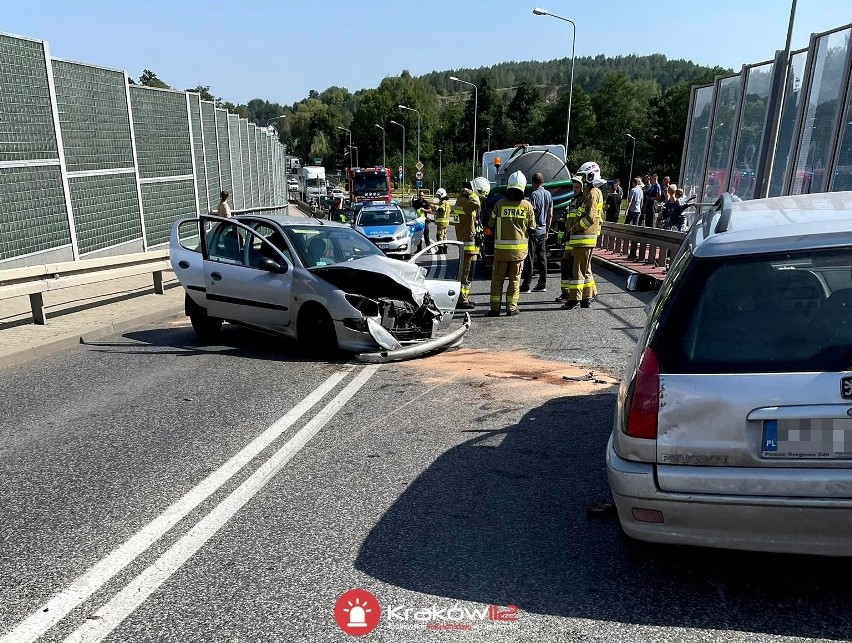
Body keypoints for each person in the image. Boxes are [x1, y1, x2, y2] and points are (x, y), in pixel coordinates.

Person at [488, 171, 536, 317]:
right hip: (518, 253)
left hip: (500, 253)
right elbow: (532, 228)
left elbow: (491, 224)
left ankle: (495, 309)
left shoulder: (499, 204)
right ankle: (511, 308)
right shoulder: (527, 206)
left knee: (497, 280)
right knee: (514, 281)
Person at [563, 161, 604, 310]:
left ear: (590, 176)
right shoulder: (591, 193)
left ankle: (574, 299)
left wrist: (575, 227)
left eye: (583, 176)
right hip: (583, 238)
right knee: (585, 270)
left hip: (584, 238)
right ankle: (586, 298)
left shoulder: (593, 193)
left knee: (578, 270)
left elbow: (590, 217)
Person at [455, 177, 489, 310]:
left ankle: (464, 298)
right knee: (466, 272)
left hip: (469, 242)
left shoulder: (461, 199)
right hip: (468, 243)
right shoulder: (467, 201)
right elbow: (477, 203)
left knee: (468, 273)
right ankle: (462, 300)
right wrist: (473, 192)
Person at [520, 172, 552, 293]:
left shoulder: (534, 195)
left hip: (534, 230)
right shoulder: (548, 194)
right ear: (542, 181)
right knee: (542, 257)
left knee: (530, 257)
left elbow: (531, 214)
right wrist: (547, 230)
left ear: (533, 182)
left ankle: (526, 284)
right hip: (543, 230)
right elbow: (550, 214)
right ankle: (542, 283)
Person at [555, 176, 584, 302]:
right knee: (565, 266)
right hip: (569, 239)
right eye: (574, 187)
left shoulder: (582, 201)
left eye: (577, 187)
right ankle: (565, 293)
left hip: (576, 240)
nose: (574, 189)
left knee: (573, 268)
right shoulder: (573, 201)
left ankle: (573, 295)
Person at [434, 188, 452, 253]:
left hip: (441, 222)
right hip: (445, 222)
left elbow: (442, 210)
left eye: (438, 195)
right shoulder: (447, 203)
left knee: (439, 235)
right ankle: (445, 247)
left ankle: (440, 248)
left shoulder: (443, 202)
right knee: (444, 235)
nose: (438, 197)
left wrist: (435, 207)